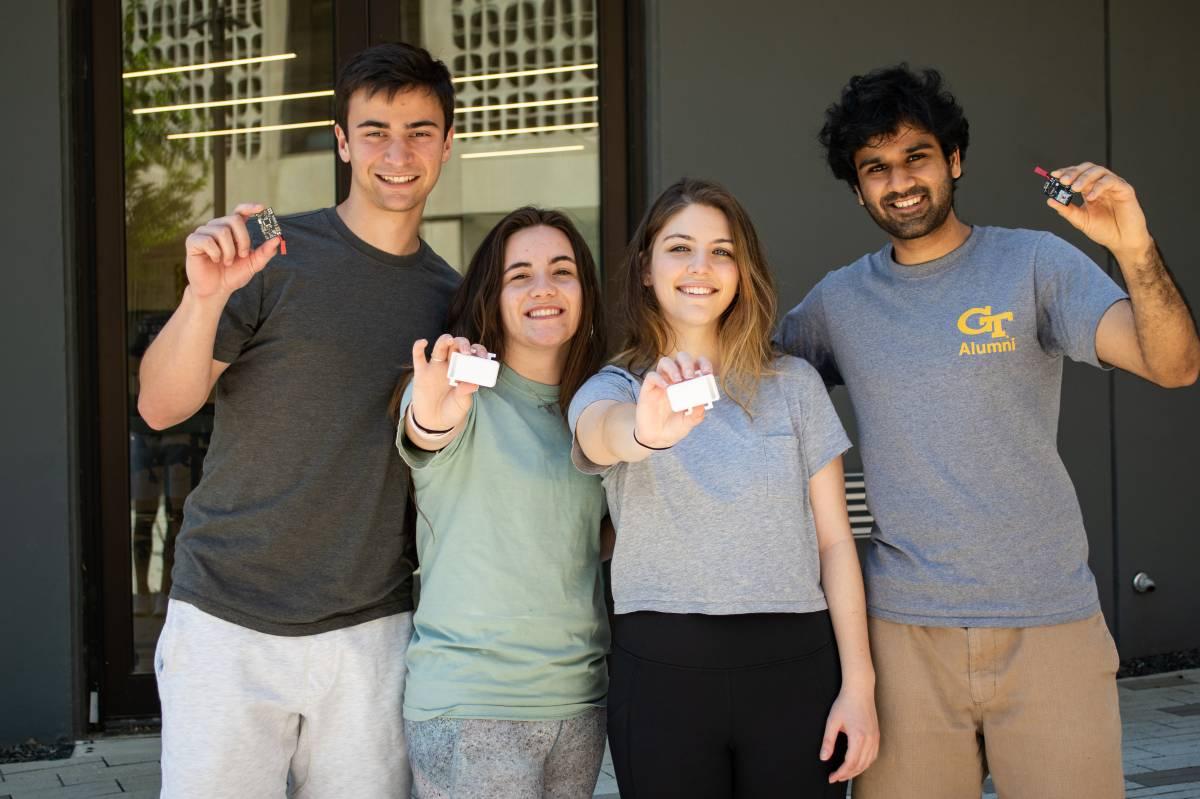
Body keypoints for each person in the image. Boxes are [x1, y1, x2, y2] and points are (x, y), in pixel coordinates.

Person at [779, 65, 1200, 799]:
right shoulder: (841, 300)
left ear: (955, 159)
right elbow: (748, 383)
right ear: (857, 188)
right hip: (903, 636)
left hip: (1050, 624)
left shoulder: (1032, 264)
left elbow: (1174, 365)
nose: (899, 181)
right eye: (875, 168)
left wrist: (1132, 245)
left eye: (916, 155)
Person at [136, 43, 461, 798]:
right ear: (342, 141)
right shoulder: (271, 254)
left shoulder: (452, 297)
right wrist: (204, 296)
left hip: (371, 630)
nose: (397, 151)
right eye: (374, 130)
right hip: (228, 617)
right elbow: (159, 404)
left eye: (419, 130)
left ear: (448, 143)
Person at [570, 178, 879, 797]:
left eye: (722, 251)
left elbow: (835, 545)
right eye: (680, 248)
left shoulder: (792, 385)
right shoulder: (616, 387)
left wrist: (859, 687)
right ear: (647, 270)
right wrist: (650, 432)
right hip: (661, 676)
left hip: (796, 669)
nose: (701, 267)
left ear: (743, 270)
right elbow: (602, 435)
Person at [396, 207, 611, 798]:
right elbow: (428, 427)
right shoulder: (458, 391)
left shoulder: (600, 407)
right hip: (474, 706)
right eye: (520, 275)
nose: (543, 288)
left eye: (561, 270)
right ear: (493, 294)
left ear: (585, 292)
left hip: (578, 703)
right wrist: (431, 415)